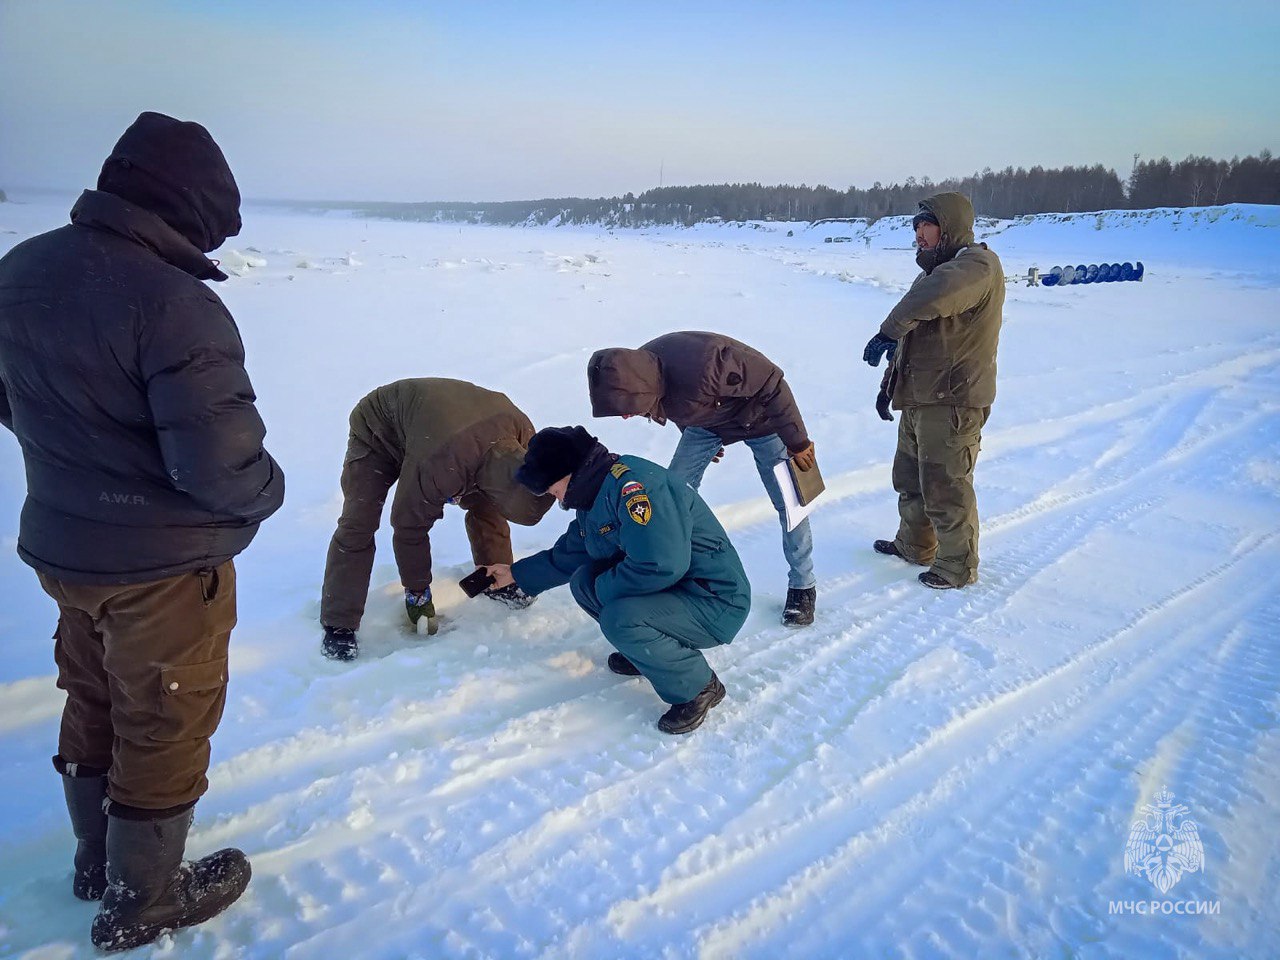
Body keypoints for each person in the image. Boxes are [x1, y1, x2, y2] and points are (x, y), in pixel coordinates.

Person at [0, 112, 284, 950]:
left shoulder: (20, 268)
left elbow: (14, 405)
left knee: (93, 695)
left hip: (65, 549)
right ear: (188, 210)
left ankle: (98, 861)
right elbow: (223, 468)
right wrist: (269, 493)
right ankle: (146, 896)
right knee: (163, 714)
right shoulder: (173, 304)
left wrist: (84, 468)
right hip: (162, 568)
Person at [485, 426, 750, 733]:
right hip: (678, 589)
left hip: (714, 600)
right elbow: (575, 550)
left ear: (569, 472)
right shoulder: (597, 489)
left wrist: (606, 587)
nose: (553, 497)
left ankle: (698, 686)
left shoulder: (636, 490)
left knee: (619, 618)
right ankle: (649, 655)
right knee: (584, 581)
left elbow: (660, 565)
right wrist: (517, 576)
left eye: (551, 488)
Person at [586, 331, 818, 626]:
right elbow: (674, 403)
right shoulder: (638, 370)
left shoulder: (707, 364)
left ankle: (803, 584)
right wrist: (697, 428)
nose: (625, 418)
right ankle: (679, 571)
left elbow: (772, 383)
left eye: (626, 409)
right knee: (672, 493)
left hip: (764, 421)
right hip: (709, 425)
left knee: (790, 501)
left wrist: (798, 443)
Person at [320, 378, 554, 660]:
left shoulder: (526, 441)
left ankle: (495, 576)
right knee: (359, 521)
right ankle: (339, 623)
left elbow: (493, 498)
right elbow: (409, 527)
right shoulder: (440, 464)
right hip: (380, 427)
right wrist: (417, 591)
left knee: (488, 500)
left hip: (441, 432)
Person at [862, 192, 1004, 589]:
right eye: (915, 226)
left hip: (953, 401)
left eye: (925, 224)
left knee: (946, 486)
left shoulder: (977, 265)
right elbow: (911, 341)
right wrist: (888, 385)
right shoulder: (933, 272)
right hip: (920, 398)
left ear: (949, 225)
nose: (917, 234)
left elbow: (935, 297)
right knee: (909, 479)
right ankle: (915, 545)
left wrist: (886, 329)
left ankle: (957, 566)